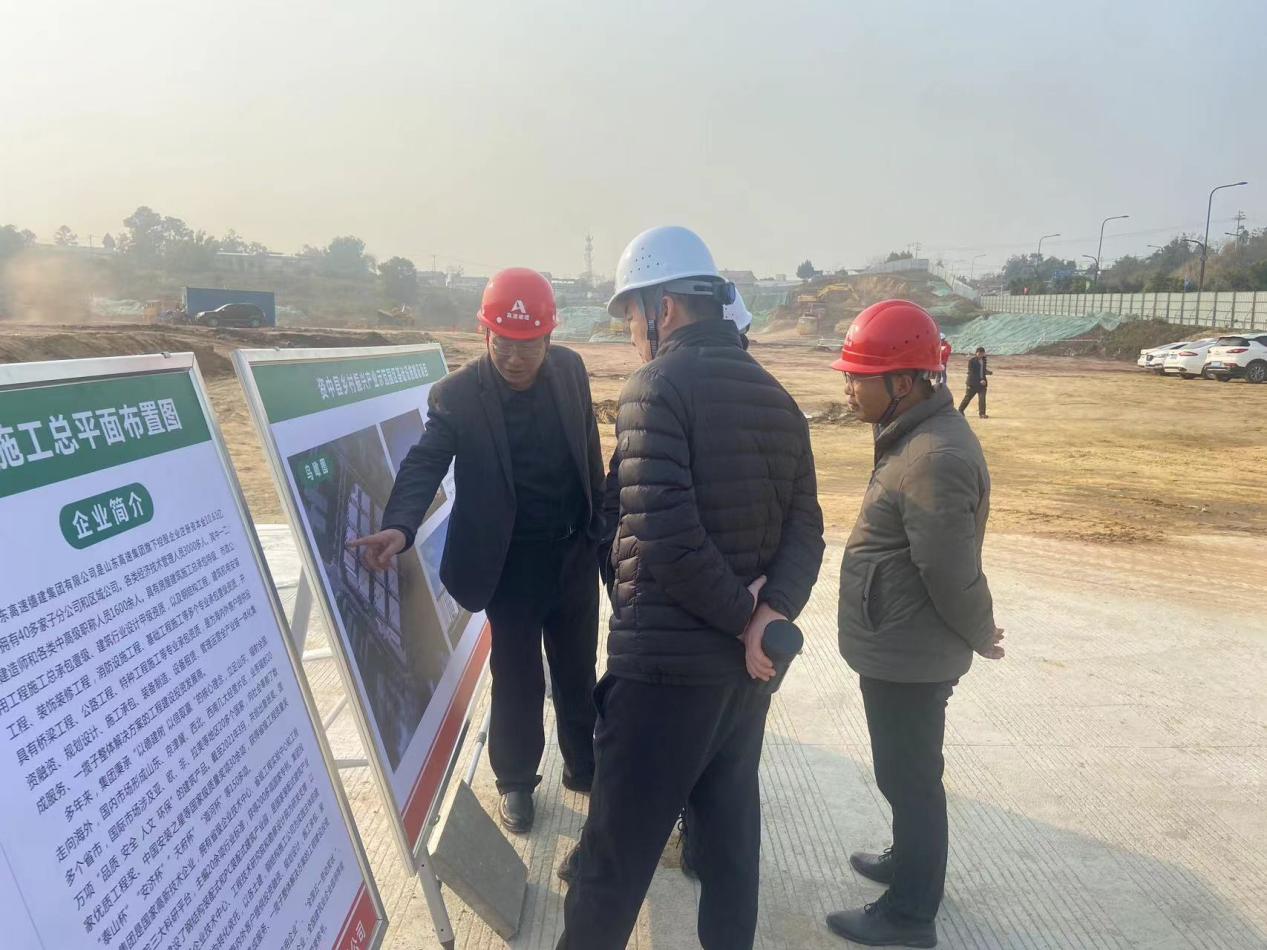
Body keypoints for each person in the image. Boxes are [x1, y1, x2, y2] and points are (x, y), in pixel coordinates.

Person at [556, 226, 825, 950]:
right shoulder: (777, 398)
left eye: (630, 315)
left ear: (664, 308)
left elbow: (666, 535)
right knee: (729, 848)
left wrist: (744, 616)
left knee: (610, 867)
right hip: (743, 681)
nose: (630, 333)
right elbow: (808, 530)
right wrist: (768, 617)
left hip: (663, 676)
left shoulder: (656, 388)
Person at [349, 267, 605, 835]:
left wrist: (600, 527)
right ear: (483, 333)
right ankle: (515, 781)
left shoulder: (569, 372)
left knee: (577, 668)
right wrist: (400, 526)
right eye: (502, 343)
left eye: (528, 345)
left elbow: (589, 450)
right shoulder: (458, 396)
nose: (514, 358)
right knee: (517, 677)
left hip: (573, 555)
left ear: (550, 337)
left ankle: (583, 765)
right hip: (509, 564)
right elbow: (425, 462)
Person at [827, 299, 1004, 948]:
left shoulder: (932, 456)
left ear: (902, 382)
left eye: (858, 377)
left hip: (912, 653)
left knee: (910, 779)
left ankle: (908, 914)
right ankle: (910, 863)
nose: (848, 388)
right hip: (901, 643)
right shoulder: (914, 437)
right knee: (902, 773)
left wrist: (982, 631)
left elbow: (950, 569)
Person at [958, 345, 991, 417]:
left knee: (982, 399)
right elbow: (972, 372)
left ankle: (982, 414)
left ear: (984, 353)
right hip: (972, 383)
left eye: (982, 353)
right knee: (968, 398)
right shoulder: (972, 361)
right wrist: (980, 380)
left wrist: (988, 372)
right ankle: (960, 410)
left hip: (982, 384)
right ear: (976, 353)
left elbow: (982, 370)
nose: (980, 354)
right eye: (979, 353)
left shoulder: (984, 360)